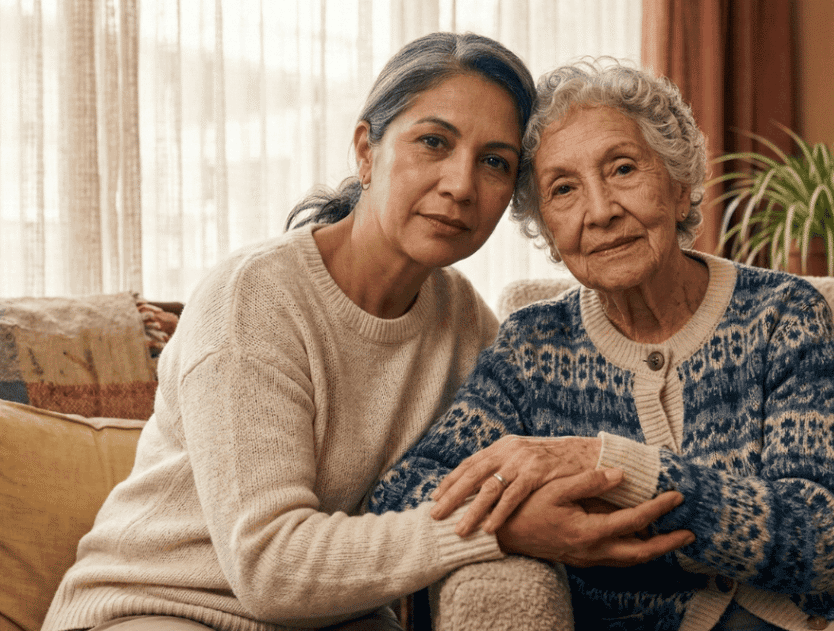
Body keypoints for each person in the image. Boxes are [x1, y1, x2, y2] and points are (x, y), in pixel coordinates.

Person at [41, 34, 688, 631]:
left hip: (326, 618)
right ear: (366, 151)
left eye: (494, 161)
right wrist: (499, 532)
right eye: (433, 142)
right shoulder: (255, 298)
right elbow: (269, 565)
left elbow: (542, 455)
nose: (461, 185)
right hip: (154, 607)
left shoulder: (462, 319)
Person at [371, 59, 834, 631]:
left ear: (680, 181)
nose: (600, 210)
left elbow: (821, 537)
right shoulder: (534, 347)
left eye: (622, 169)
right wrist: (522, 523)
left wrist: (607, 462)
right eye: (563, 189)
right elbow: (402, 495)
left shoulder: (782, 313)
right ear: (545, 228)